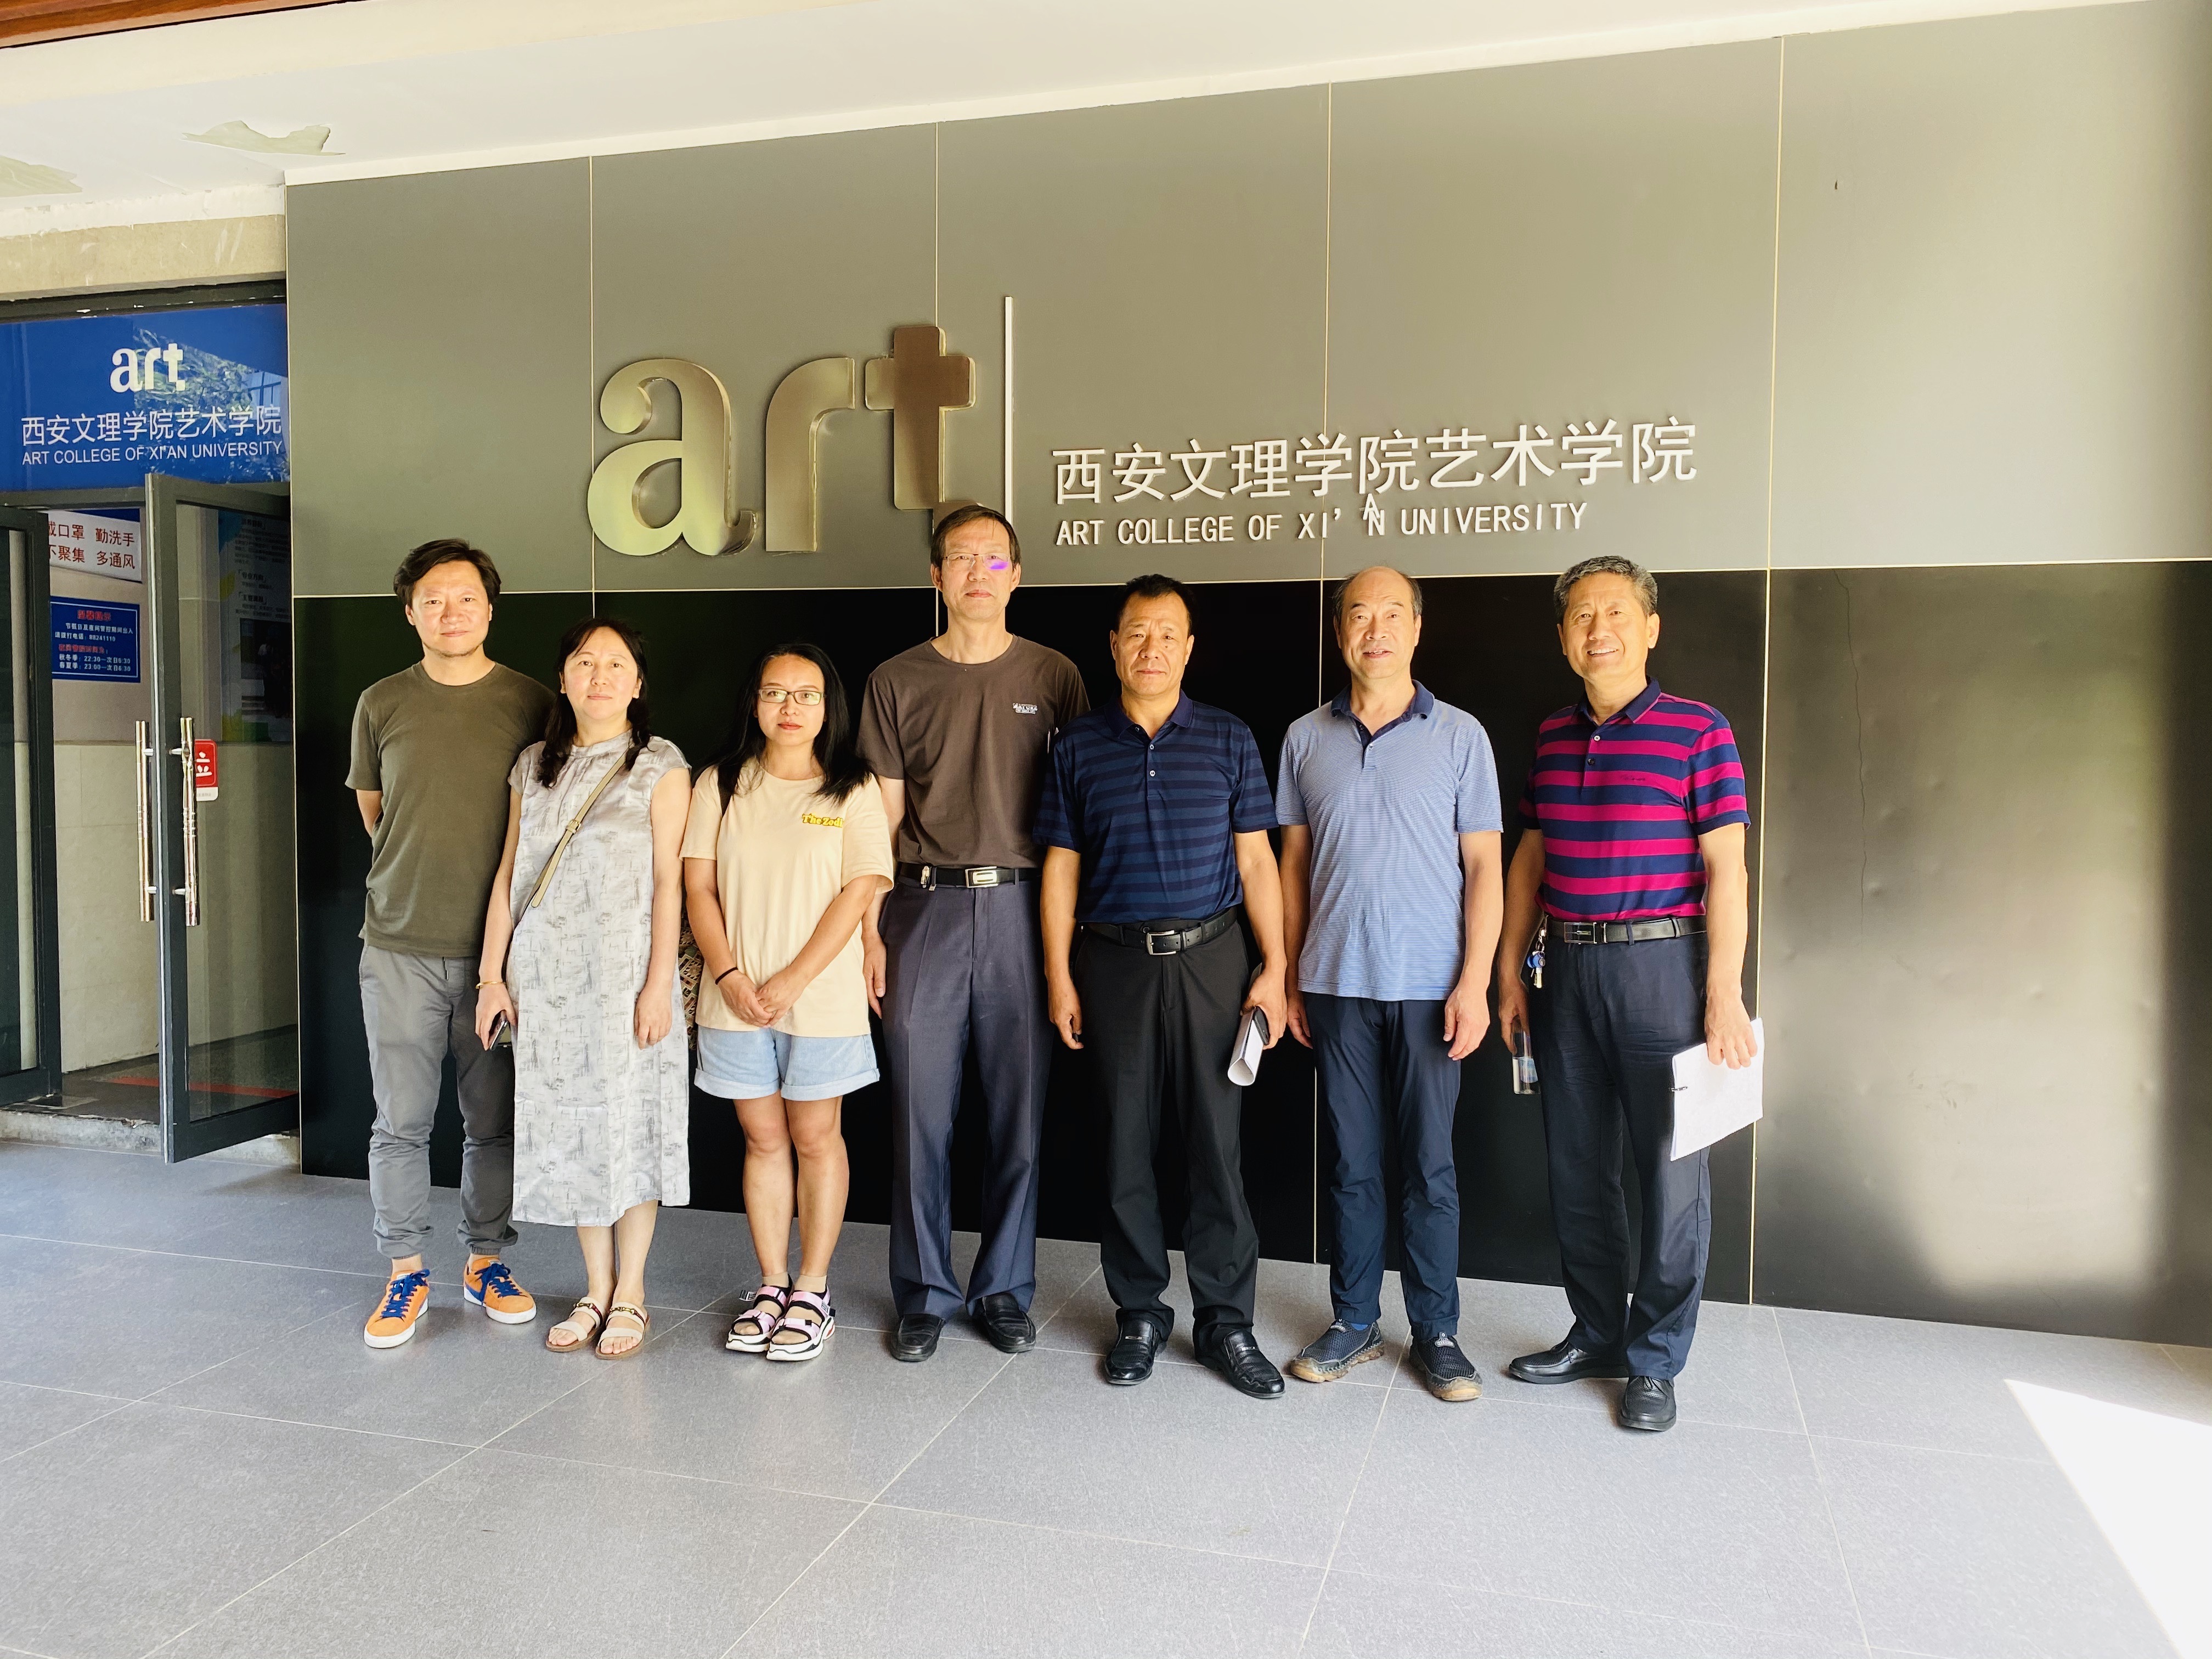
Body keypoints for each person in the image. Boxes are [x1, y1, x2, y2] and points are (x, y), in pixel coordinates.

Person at [1493, 554, 1757, 1433]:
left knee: (1672, 1175)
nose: (1597, 629)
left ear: (1650, 629)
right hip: (1567, 971)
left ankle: (1655, 1361)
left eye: (1614, 613)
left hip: (1664, 971)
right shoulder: (1551, 736)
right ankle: (1599, 1333)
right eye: (1580, 615)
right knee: (1578, 1167)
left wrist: (1723, 993)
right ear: (1563, 637)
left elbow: (1728, 871)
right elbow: (1530, 861)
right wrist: (1509, 970)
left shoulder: (1699, 731)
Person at [1037, 574, 1290, 1398]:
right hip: (1112, 964)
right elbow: (1061, 868)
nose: (1152, 648)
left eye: (1167, 634)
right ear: (1114, 647)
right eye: (1137, 634)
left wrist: (1276, 967)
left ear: (1189, 648)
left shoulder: (1228, 738)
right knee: (1124, 1146)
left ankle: (1226, 1322)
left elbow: (1257, 861)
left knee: (1217, 1146)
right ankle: (1139, 1313)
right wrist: (1058, 975)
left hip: (1214, 959)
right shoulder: (1077, 746)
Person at [857, 505, 1088, 1362]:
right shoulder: (896, 679)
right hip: (924, 910)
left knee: (1017, 1116)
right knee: (918, 1113)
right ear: (936, 577)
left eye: (995, 559)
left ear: (1016, 576)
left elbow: (1076, 817)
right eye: (962, 558)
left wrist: (1068, 946)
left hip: (1025, 911)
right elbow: (878, 823)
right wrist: (871, 932)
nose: (978, 573)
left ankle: (1002, 1289)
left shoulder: (1055, 675)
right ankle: (924, 1292)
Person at [1277, 566, 1503, 1402]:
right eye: (1359, 615)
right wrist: (1292, 977)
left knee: (1431, 1167)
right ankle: (1355, 1321)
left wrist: (1474, 982)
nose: (1375, 630)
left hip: (1431, 989)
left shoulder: (1461, 735)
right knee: (1351, 1164)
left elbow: (1486, 869)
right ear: (1340, 630)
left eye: (1392, 614)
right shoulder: (1304, 738)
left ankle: (1437, 1331)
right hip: (1335, 983)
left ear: (1417, 627)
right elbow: (1293, 866)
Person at [348, 539, 555, 1349]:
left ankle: (486, 1261)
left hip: (498, 959)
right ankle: (405, 1272)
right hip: (397, 946)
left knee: (492, 1122)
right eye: (432, 600)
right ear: (411, 613)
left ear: (490, 609)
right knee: (399, 1122)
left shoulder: (533, 703)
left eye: (466, 597)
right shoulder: (380, 702)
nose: (450, 612)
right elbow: (375, 810)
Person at [473, 618, 691, 1359]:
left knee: (631, 1124)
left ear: (638, 682)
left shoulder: (660, 765)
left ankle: (632, 1291)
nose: (600, 676)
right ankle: (594, 1289)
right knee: (575, 1128)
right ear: (563, 678)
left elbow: (670, 883)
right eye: (585, 662)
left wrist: (659, 983)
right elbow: (509, 874)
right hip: (549, 980)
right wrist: (492, 976)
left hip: (626, 976)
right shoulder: (533, 764)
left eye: (616, 664)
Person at [687, 645, 893, 1362]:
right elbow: (698, 887)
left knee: (815, 1137)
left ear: (828, 708)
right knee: (763, 1140)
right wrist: (730, 976)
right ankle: (772, 1284)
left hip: (822, 1001)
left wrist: (793, 981)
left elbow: (859, 892)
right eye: (776, 692)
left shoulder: (853, 788)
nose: (790, 707)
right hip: (734, 999)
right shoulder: (721, 784)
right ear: (755, 702)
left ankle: (813, 1290)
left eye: (807, 695)